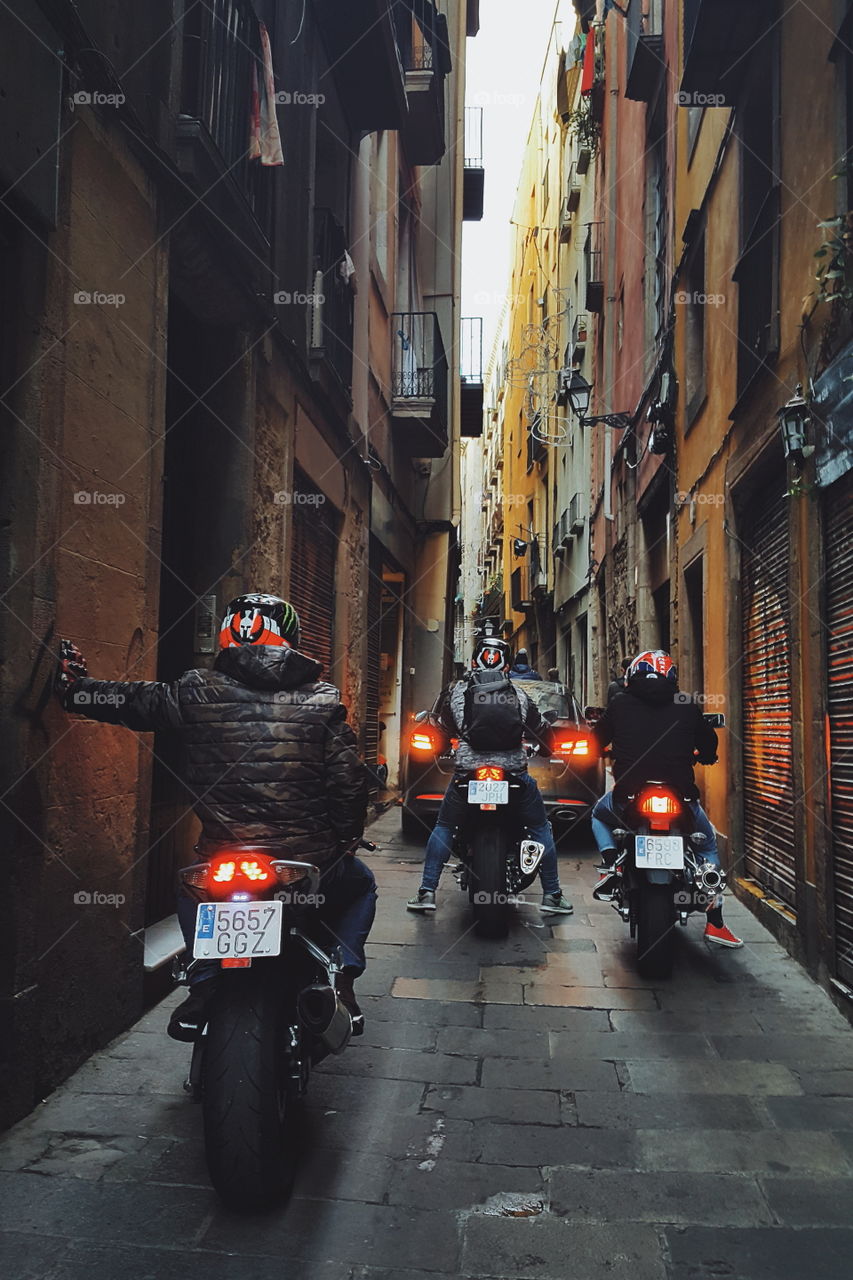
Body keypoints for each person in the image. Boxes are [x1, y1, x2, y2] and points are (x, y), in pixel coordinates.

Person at [57, 593, 376, 1037]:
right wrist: (345, 839)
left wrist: (75, 690)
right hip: (304, 860)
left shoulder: (194, 690)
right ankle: (342, 975)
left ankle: (204, 982)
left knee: (192, 888)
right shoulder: (322, 699)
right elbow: (348, 783)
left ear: (226, 633)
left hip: (223, 856)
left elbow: (132, 702)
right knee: (361, 885)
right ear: (291, 639)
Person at [406, 636, 573, 915]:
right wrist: (546, 747)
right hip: (513, 775)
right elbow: (542, 732)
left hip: (468, 775)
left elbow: (441, 734)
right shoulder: (519, 695)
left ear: (474, 662)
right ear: (507, 666)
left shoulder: (457, 694)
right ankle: (553, 895)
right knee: (540, 827)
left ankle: (426, 892)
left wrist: (446, 745)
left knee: (445, 825)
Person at [589, 649, 742, 947]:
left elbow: (596, 740)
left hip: (629, 795)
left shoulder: (619, 704)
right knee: (706, 841)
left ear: (632, 675)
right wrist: (706, 756)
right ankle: (715, 921)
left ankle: (612, 864)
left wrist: (601, 750)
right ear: (671, 677)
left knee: (598, 814)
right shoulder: (686, 704)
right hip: (680, 797)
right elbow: (708, 743)